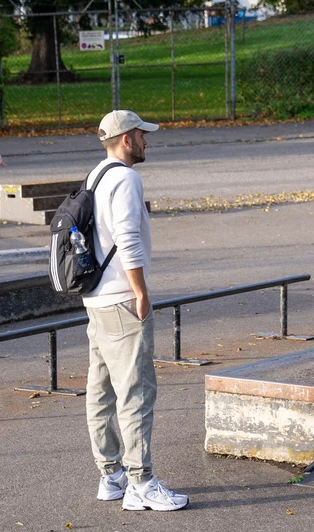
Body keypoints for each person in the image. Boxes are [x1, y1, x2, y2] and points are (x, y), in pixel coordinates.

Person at [83, 110, 188, 511]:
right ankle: (141, 483)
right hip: (123, 302)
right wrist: (140, 291)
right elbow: (127, 239)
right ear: (127, 139)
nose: (147, 142)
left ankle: (110, 475)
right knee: (137, 393)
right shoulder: (126, 178)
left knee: (101, 390)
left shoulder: (95, 176)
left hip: (96, 300)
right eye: (142, 136)